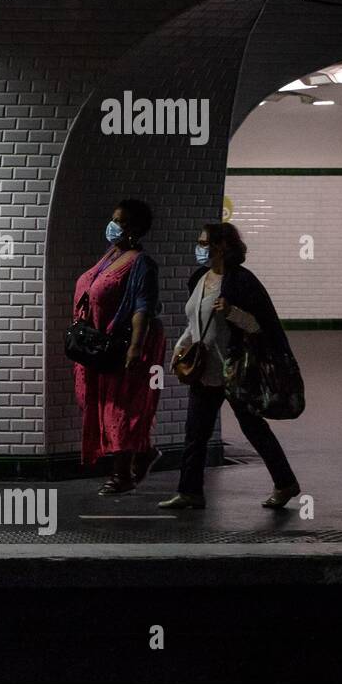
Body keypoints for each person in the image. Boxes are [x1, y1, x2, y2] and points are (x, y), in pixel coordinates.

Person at [160, 222, 301, 510]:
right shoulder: (200, 277)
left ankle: (285, 483)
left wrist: (232, 312)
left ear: (221, 246)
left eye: (204, 242)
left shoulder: (242, 281)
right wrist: (179, 348)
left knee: (254, 429)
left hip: (236, 371)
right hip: (205, 371)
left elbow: (259, 326)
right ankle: (190, 492)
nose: (199, 248)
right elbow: (194, 322)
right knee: (195, 433)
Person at [73, 199, 166, 495]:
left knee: (120, 408)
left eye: (120, 221)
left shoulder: (141, 264)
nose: (112, 226)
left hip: (124, 346)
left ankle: (122, 474)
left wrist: (135, 348)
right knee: (102, 404)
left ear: (134, 228)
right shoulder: (112, 256)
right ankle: (143, 453)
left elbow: (143, 308)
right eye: (113, 219)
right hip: (98, 347)